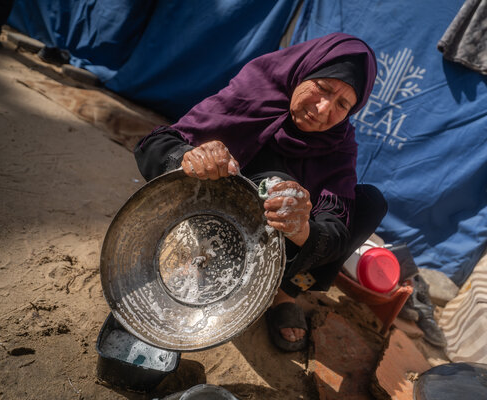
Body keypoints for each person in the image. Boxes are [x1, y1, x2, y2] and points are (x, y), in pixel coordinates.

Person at [134, 32, 387, 352]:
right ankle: (215, 269)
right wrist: (190, 156)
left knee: (369, 203)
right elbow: (153, 145)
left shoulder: (339, 143)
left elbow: (335, 228)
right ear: (304, 72)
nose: (324, 110)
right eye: (322, 88)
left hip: (284, 237)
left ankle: (286, 293)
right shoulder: (257, 88)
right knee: (271, 178)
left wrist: (302, 229)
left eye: (342, 105)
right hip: (219, 217)